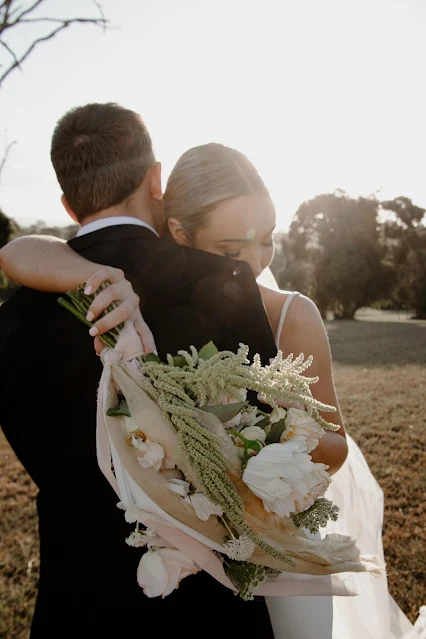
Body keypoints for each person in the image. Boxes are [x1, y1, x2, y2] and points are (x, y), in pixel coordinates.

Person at [2, 139, 422, 639]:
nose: (254, 261)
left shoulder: (293, 313)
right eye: (233, 249)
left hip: (272, 549)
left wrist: (259, 449)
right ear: (177, 232)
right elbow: (23, 249)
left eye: (266, 239)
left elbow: (334, 444)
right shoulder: (146, 296)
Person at [0, 104, 279, 639]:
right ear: (155, 179)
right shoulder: (225, 280)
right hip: (210, 611)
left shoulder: (10, 320)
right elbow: (270, 448)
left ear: (67, 202)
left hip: (75, 607)